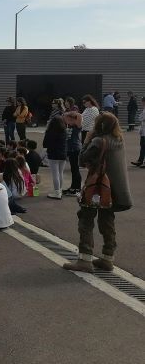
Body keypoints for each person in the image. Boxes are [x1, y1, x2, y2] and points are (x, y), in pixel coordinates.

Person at [63, 113, 133, 273]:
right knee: (107, 220)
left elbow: (82, 159)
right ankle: (107, 258)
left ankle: (84, 260)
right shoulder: (118, 140)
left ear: (100, 126)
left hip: (97, 188)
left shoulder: (98, 141)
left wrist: (87, 140)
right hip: (115, 191)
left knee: (86, 219)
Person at [43, 115, 67, 199]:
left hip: (53, 154)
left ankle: (57, 193)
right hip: (63, 153)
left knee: (55, 174)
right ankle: (59, 190)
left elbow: (45, 144)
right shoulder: (64, 131)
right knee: (60, 173)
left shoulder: (50, 132)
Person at [62, 110, 83, 197]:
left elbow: (79, 116)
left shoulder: (77, 126)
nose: (66, 120)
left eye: (68, 119)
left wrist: (71, 114)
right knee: (73, 169)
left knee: (75, 169)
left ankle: (77, 189)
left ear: (72, 119)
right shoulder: (68, 126)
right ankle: (73, 187)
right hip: (70, 150)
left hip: (75, 149)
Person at [132, 96, 145, 168]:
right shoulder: (144, 110)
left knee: (143, 146)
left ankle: (141, 161)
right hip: (143, 131)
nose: (141, 102)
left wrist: (141, 117)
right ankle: (140, 160)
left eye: (142, 101)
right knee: (142, 146)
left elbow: (141, 118)